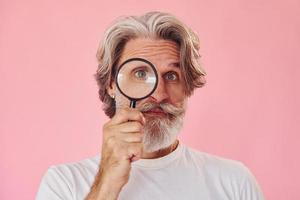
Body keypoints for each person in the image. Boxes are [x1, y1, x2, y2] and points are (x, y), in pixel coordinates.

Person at [36, 11, 265, 200]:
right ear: (112, 85)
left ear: (188, 87)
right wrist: (106, 185)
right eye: (140, 73)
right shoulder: (63, 184)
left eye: (173, 76)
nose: (158, 94)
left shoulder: (235, 182)